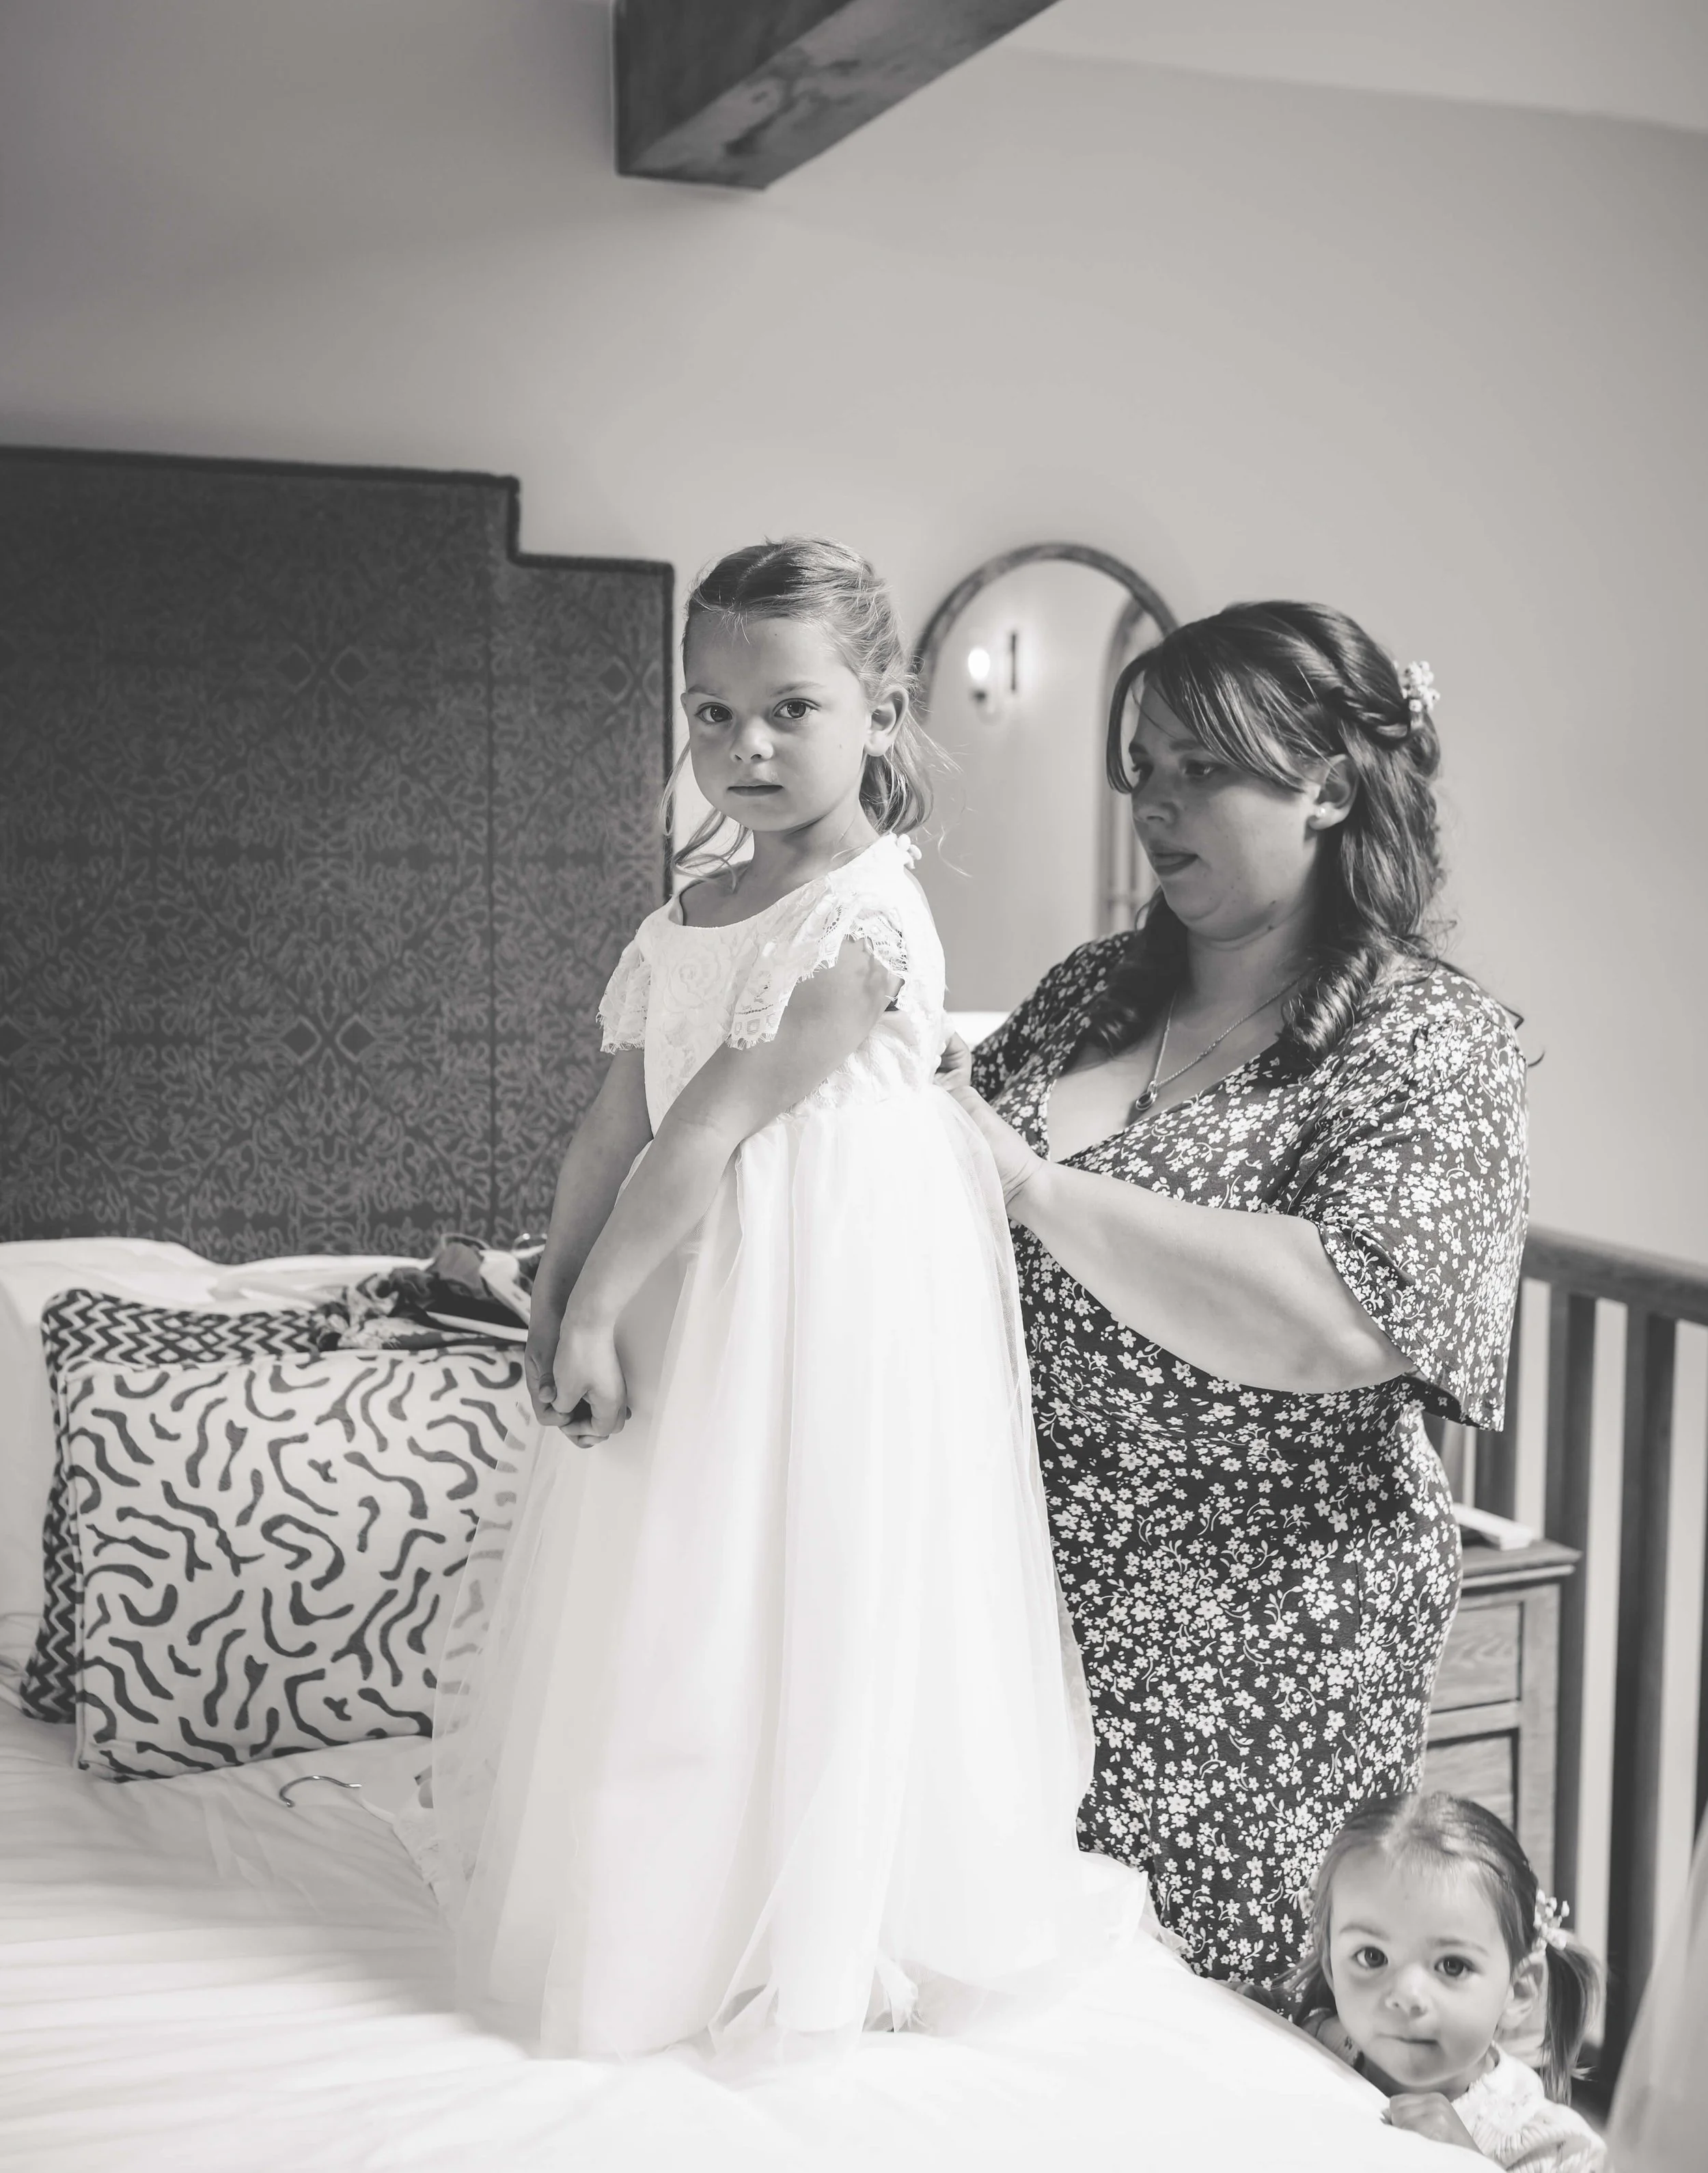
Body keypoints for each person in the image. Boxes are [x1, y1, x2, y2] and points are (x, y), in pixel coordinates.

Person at [402, 538, 1137, 2062]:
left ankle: (818, 1916)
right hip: (692, 1278)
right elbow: (614, 1126)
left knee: (801, 1572)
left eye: (788, 710)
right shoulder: (681, 918)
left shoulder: (862, 918)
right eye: (709, 711)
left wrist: (603, 1307)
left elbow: (715, 1127)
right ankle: (675, 1888)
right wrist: (555, 1300)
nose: (741, 746)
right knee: (678, 1577)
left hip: (823, 1298)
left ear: (880, 710)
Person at [937, 603, 1528, 1983]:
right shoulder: (1089, 993)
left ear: (1325, 784)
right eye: (1143, 766)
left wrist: (1037, 1191)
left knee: (1203, 2052)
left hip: (1255, 1665)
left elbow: (1337, 1319)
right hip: (1018, 1617)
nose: (1157, 802)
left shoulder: (1426, 1040)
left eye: (1204, 767)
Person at [1276, 1791, 1605, 2168]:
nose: (1407, 1995)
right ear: (1333, 1967)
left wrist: (1468, 2163)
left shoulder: (1551, 2147)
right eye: (1372, 1957)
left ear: (1518, 1990)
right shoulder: (1312, 2046)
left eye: (1452, 1966)